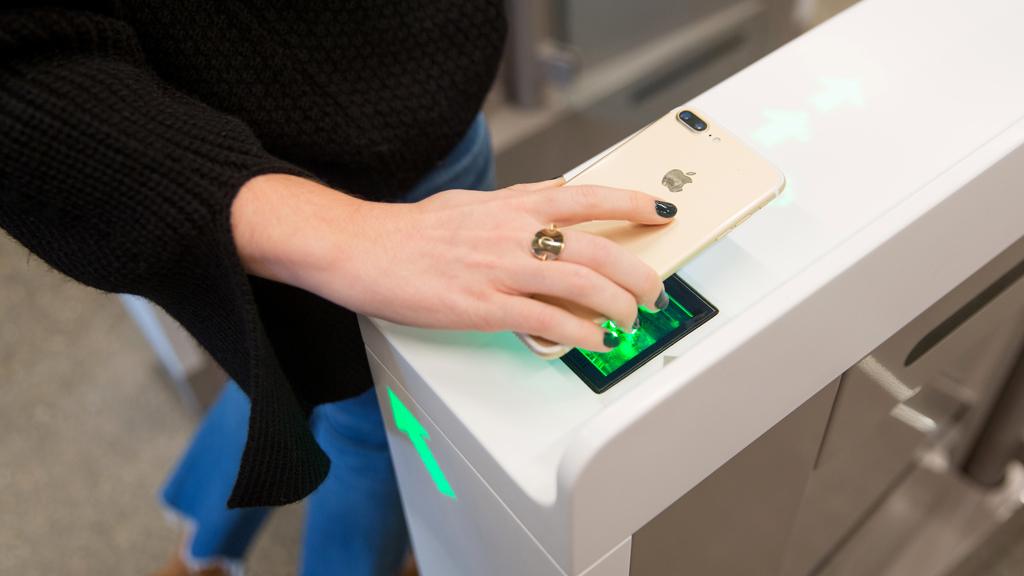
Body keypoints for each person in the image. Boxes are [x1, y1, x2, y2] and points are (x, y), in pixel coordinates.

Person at [0, 3, 676, 575]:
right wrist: (353, 233)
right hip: (286, 176)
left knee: (284, 372)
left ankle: (199, 550)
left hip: (396, 126)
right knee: (381, 431)